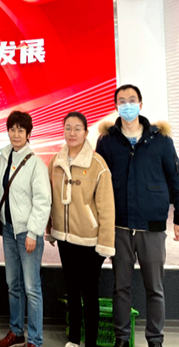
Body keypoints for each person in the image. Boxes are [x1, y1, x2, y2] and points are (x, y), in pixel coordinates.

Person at [96, 84, 179, 347]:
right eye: (122, 101)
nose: (127, 105)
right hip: (119, 227)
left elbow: (175, 179)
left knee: (155, 288)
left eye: (132, 100)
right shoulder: (107, 141)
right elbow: (98, 183)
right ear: (116, 106)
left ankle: (155, 340)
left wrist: (178, 216)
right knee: (121, 287)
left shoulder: (161, 140)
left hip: (151, 228)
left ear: (141, 105)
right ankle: (121, 338)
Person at [47, 111, 115, 347]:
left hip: (89, 241)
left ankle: (91, 343)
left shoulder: (98, 165)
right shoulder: (56, 161)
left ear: (86, 132)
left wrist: (105, 243)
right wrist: (50, 228)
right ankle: (74, 339)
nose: (72, 133)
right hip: (65, 239)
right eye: (68, 128)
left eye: (77, 128)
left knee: (89, 293)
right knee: (72, 290)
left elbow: (107, 209)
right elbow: (49, 198)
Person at [0, 110, 51, 347]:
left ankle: (35, 340)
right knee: (12, 284)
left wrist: (33, 232)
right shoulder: (2, 159)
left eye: (21, 130)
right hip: (8, 231)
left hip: (27, 233)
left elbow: (43, 201)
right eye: (12, 129)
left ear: (28, 134)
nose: (16, 134)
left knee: (32, 288)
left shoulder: (36, 164)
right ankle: (16, 331)